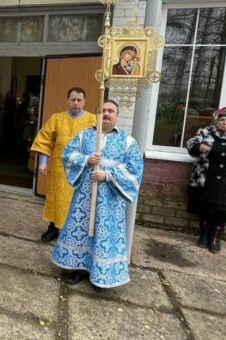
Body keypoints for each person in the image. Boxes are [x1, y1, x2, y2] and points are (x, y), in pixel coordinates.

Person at [51, 100, 144, 289]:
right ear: (97, 115)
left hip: (111, 200)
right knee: (82, 231)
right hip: (84, 198)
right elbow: (67, 154)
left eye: (111, 111)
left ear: (117, 115)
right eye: (103, 111)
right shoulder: (84, 135)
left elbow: (135, 170)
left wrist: (108, 175)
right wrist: (86, 159)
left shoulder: (127, 141)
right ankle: (79, 268)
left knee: (105, 234)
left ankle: (102, 274)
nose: (107, 114)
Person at [31, 87, 96, 242]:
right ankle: (52, 229)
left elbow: (99, 143)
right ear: (68, 100)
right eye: (73, 99)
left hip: (81, 170)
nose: (76, 103)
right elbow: (44, 141)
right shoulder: (56, 118)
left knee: (77, 200)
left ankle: (73, 232)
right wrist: (43, 162)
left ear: (84, 101)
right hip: (59, 169)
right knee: (56, 199)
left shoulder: (92, 120)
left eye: (79, 100)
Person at [186, 107, 226, 253]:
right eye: (222, 119)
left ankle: (215, 237)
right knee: (205, 208)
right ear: (216, 120)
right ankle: (204, 234)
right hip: (205, 179)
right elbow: (190, 146)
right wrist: (198, 147)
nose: (225, 123)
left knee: (222, 211)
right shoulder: (205, 132)